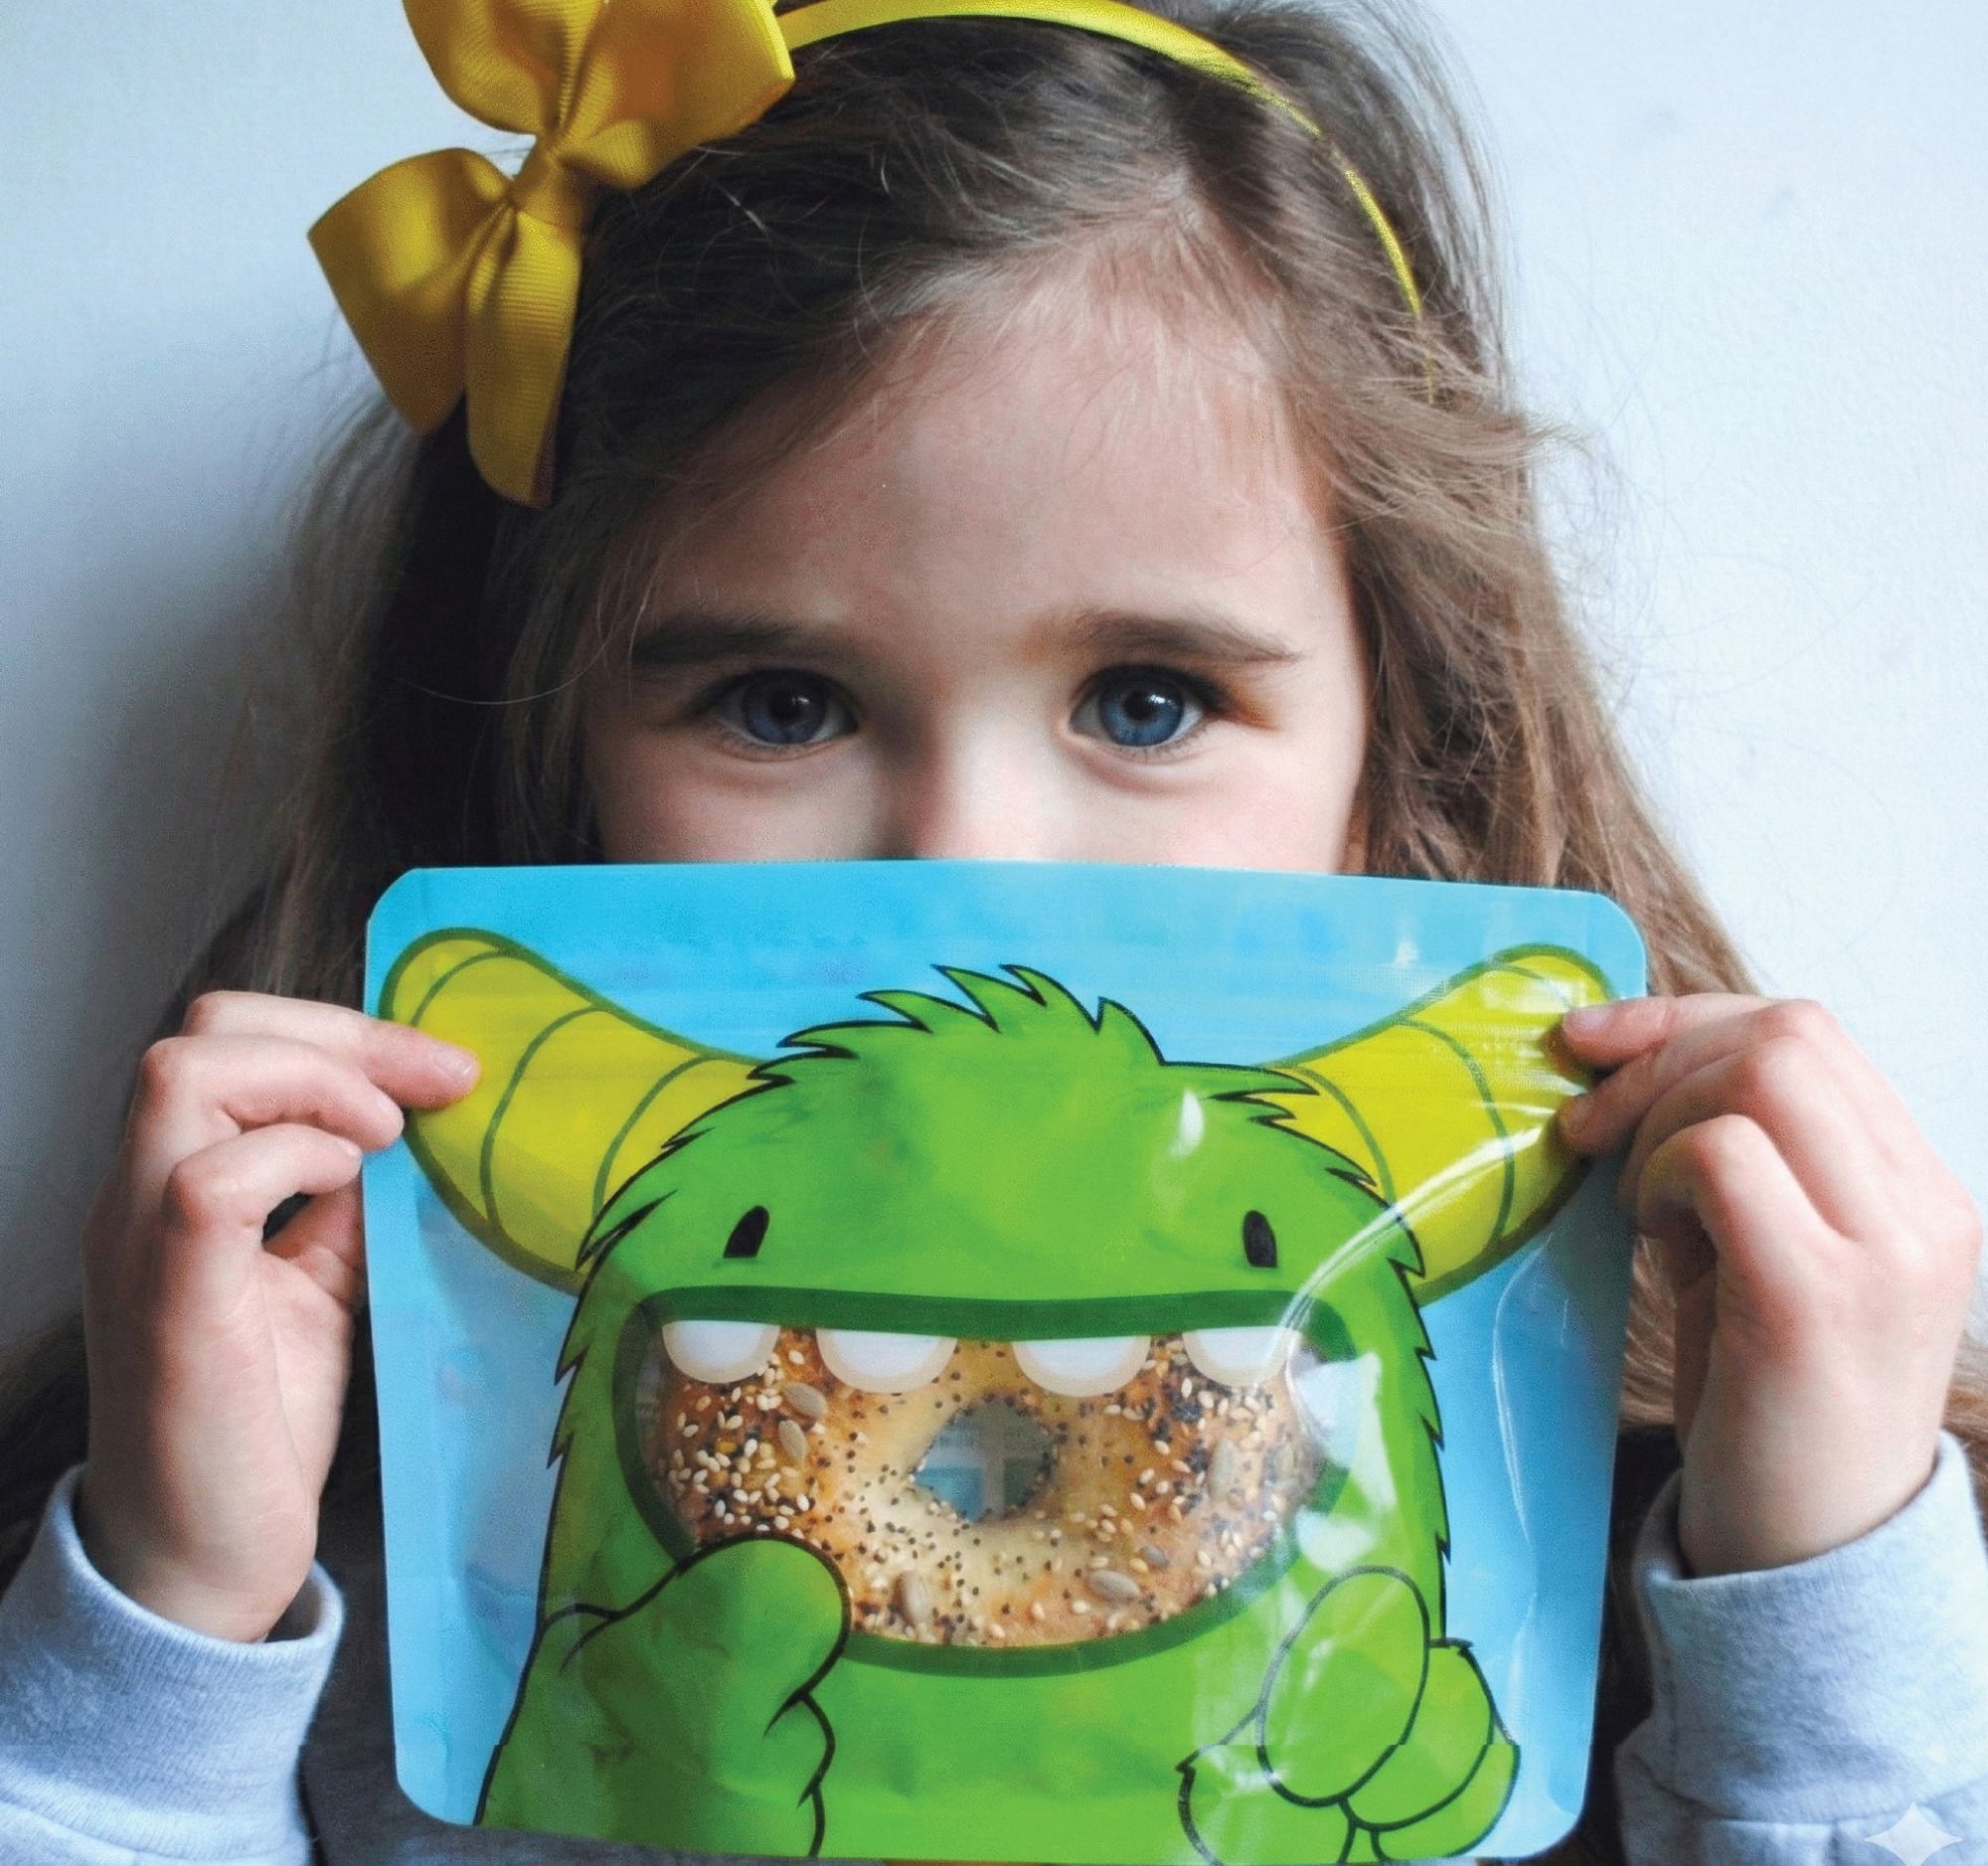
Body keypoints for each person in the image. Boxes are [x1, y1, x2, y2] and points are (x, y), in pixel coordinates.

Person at [1, 0, 1984, 1860]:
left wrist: (1809, 1604)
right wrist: (168, 1626)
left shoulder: (1688, 1512)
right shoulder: (295, 1534)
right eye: (778, 703)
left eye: (1144, 701)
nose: (965, 858)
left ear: (1409, 743)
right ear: (544, 737)